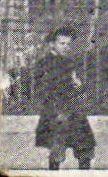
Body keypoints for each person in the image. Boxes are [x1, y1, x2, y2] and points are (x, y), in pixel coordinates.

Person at [33, 26, 95, 170]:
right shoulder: (45, 63)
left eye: (68, 44)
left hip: (72, 109)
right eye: (62, 43)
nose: (66, 47)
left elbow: (75, 85)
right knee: (57, 147)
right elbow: (44, 89)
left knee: (85, 146)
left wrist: (78, 85)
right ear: (52, 44)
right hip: (56, 110)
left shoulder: (68, 62)